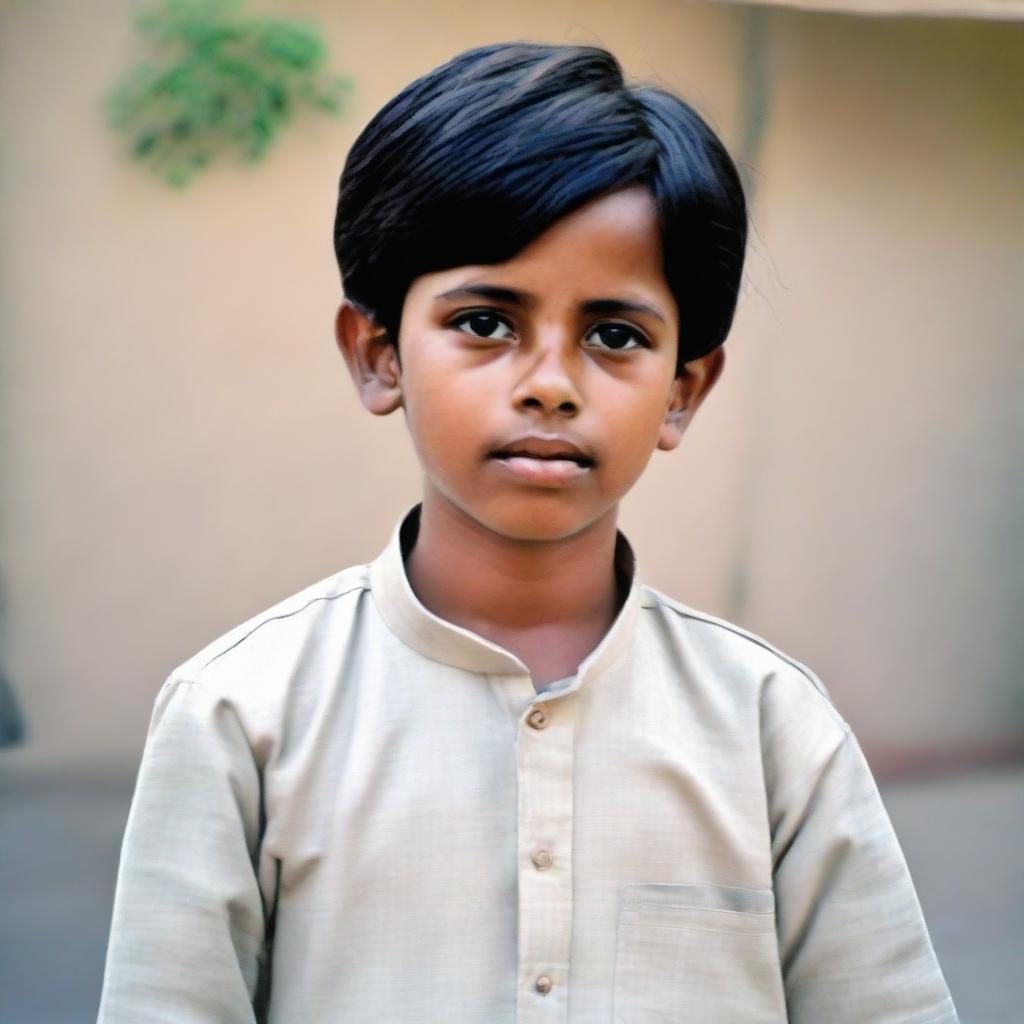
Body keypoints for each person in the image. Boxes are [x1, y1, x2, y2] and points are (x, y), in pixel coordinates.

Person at [97, 42, 958, 1023]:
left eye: (615, 335)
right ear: (378, 355)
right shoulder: (239, 718)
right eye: (484, 321)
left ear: (684, 390)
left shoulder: (770, 730)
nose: (549, 380)